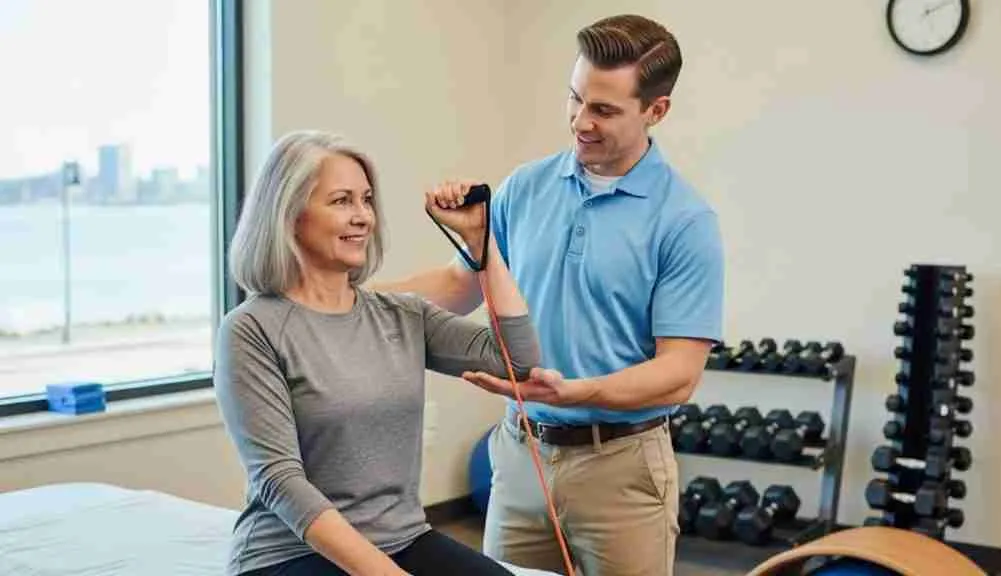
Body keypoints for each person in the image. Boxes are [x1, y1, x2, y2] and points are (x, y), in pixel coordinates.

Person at [377, 14, 724, 576]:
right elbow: (458, 286)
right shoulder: (524, 188)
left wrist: (577, 392)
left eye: (604, 110)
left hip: (623, 468)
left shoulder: (685, 221)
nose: (580, 122)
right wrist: (338, 298)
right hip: (520, 456)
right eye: (575, 99)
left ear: (655, 111)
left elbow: (680, 373)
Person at [213, 129, 543, 576]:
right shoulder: (251, 330)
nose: (363, 216)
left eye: (366, 200)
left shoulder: (400, 315)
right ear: (289, 215)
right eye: (341, 201)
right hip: (290, 553)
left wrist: (481, 244)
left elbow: (517, 361)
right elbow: (280, 481)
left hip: (403, 538)